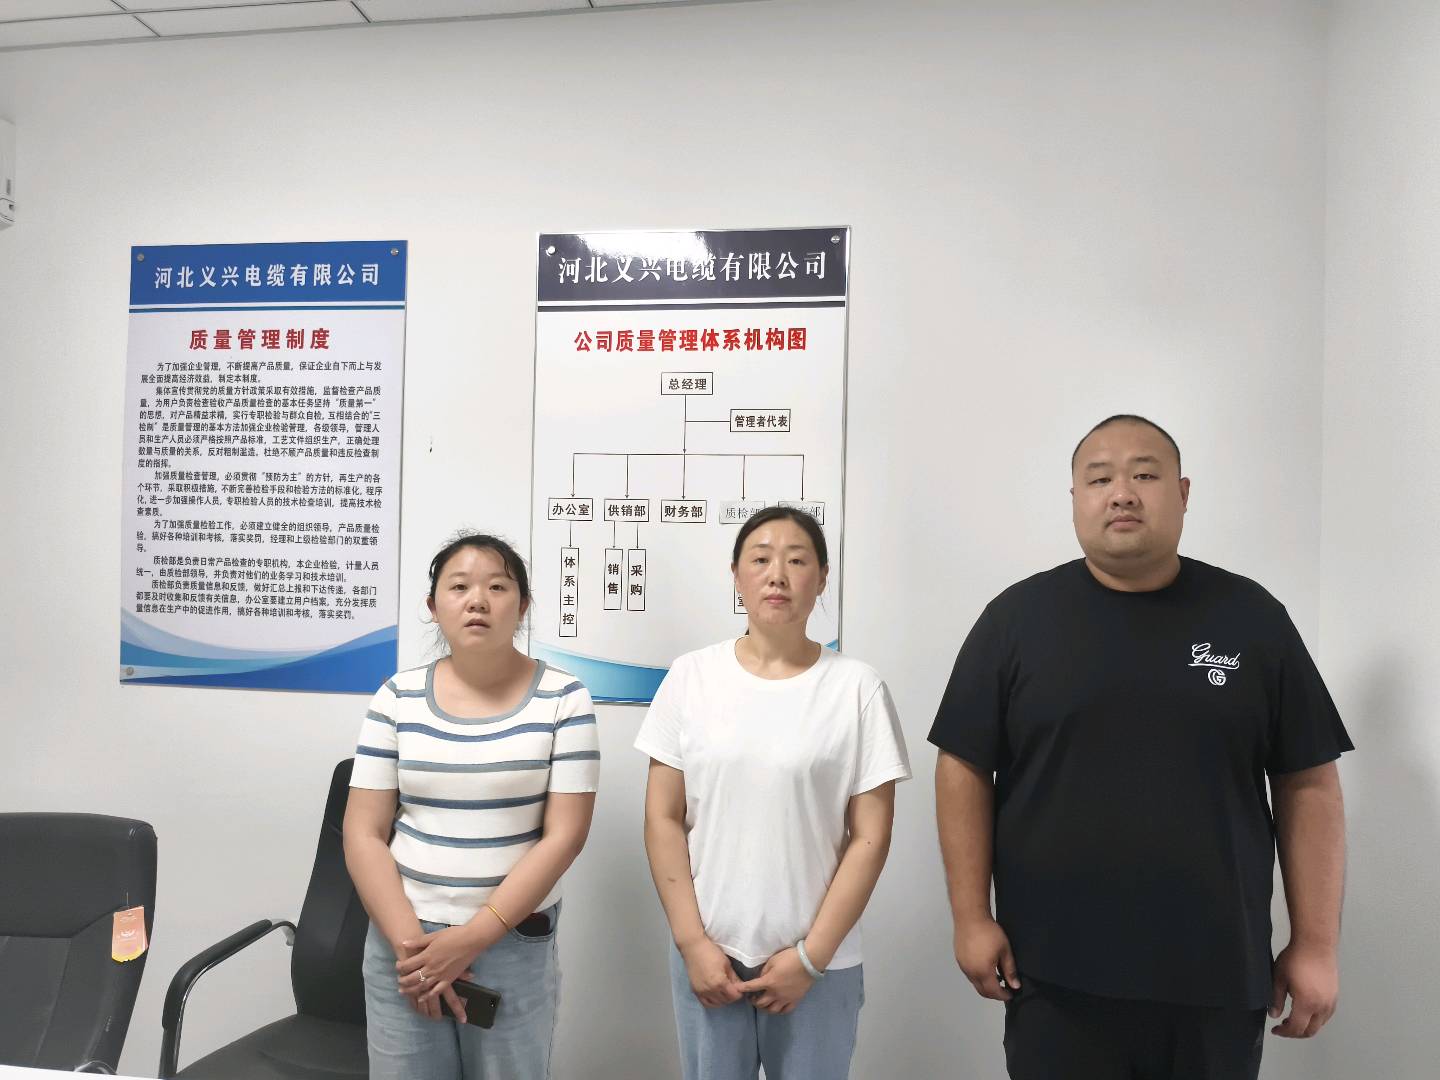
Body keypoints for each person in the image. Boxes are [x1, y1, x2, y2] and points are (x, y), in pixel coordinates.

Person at [931, 415, 1353, 1080]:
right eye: (1099, 479)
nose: (1122, 493)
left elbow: (1309, 783)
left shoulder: (1252, 619)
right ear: (1075, 498)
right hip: (1054, 974)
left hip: (1217, 975)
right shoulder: (1015, 621)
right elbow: (961, 765)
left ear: (1182, 493)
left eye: (1145, 475)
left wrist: (1317, 945)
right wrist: (970, 917)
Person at [636, 506, 911, 1080]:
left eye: (797, 560)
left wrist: (811, 958)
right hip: (710, 957)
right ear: (736, 575)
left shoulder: (856, 688)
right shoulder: (691, 677)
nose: (777, 575)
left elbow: (871, 836)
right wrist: (692, 943)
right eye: (760, 559)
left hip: (820, 964)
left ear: (823, 577)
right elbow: (662, 817)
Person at [343, 533, 599, 1080]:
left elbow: (565, 836)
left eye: (497, 587)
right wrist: (413, 951)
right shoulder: (397, 697)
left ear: (523, 605)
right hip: (403, 939)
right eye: (458, 587)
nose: (477, 600)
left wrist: (474, 937)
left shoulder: (565, 698)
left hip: (510, 940)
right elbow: (363, 832)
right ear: (433, 606)